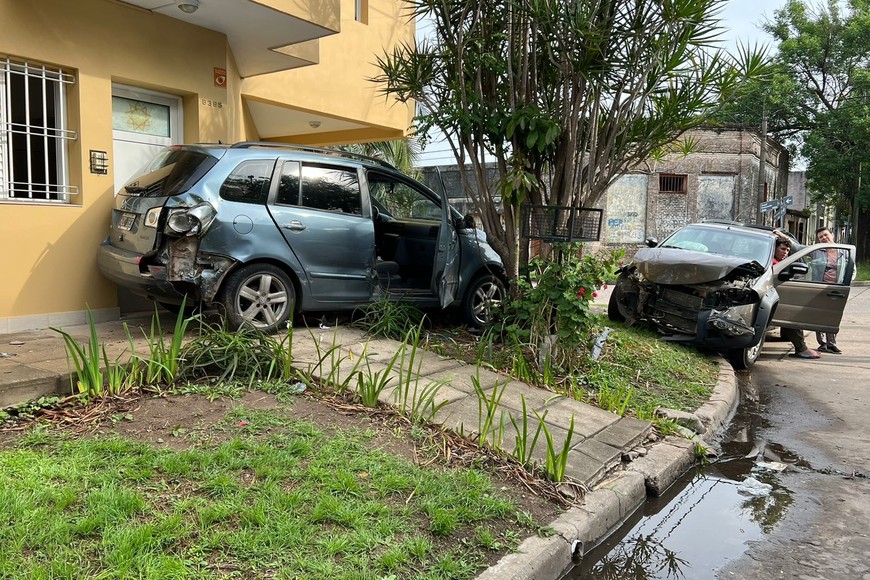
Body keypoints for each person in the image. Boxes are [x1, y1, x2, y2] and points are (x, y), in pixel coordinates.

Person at [772, 236, 821, 359]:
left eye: (787, 250)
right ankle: (801, 349)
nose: (785, 252)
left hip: (778, 299)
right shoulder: (773, 263)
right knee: (792, 318)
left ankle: (801, 346)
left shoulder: (780, 263)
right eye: (782, 249)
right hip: (772, 300)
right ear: (774, 248)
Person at [814, 226, 843, 354]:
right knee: (820, 315)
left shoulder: (844, 251)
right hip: (821, 287)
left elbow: (852, 269)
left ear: (832, 235)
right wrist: (783, 236)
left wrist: (846, 281)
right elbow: (798, 248)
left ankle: (832, 343)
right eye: (821, 237)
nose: (824, 238)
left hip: (837, 288)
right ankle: (823, 343)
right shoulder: (817, 251)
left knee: (833, 316)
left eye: (825, 235)